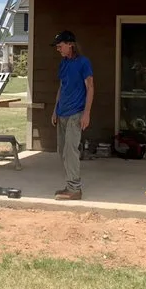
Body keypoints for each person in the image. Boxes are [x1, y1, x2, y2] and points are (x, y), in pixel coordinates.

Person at [50, 31, 94, 200]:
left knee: (70, 150)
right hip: (62, 113)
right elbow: (62, 87)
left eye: (60, 46)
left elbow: (90, 87)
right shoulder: (63, 63)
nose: (58, 49)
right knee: (62, 150)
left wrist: (87, 113)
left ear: (71, 45)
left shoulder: (83, 63)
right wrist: (55, 109)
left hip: (76, 113)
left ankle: (75, 189)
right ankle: (70, 185)